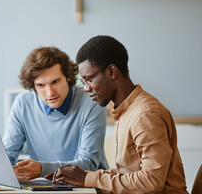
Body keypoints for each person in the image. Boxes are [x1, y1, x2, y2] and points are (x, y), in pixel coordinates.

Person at [47, 36, 188, 193]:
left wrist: (88, 179)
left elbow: (151, 181)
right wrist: (84, 177)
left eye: (89, 80)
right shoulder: (126, 110)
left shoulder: (145, 114)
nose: (86, 88)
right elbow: (129, 175)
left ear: (111, 71)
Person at [3, 46, 108, 181]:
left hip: (86, 186)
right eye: (41, 85)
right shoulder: (23, 103)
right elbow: (6, 157)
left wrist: (41, 169)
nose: (50, 92)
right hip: (44, 186)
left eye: (55, 81)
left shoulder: (92, 101)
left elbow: (88, 164)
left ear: (68, 77)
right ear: (33, 86)